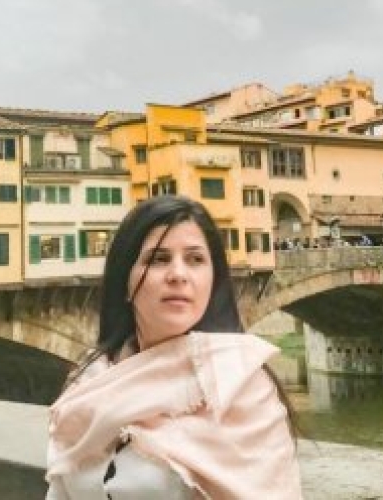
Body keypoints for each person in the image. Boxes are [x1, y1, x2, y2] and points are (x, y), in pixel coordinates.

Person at [46, 195, 302, 499]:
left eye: (195, 260)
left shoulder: (241, 386)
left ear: (213, 280)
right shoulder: (92, 379)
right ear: (125, 279)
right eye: (158, 259)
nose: (178, 275)